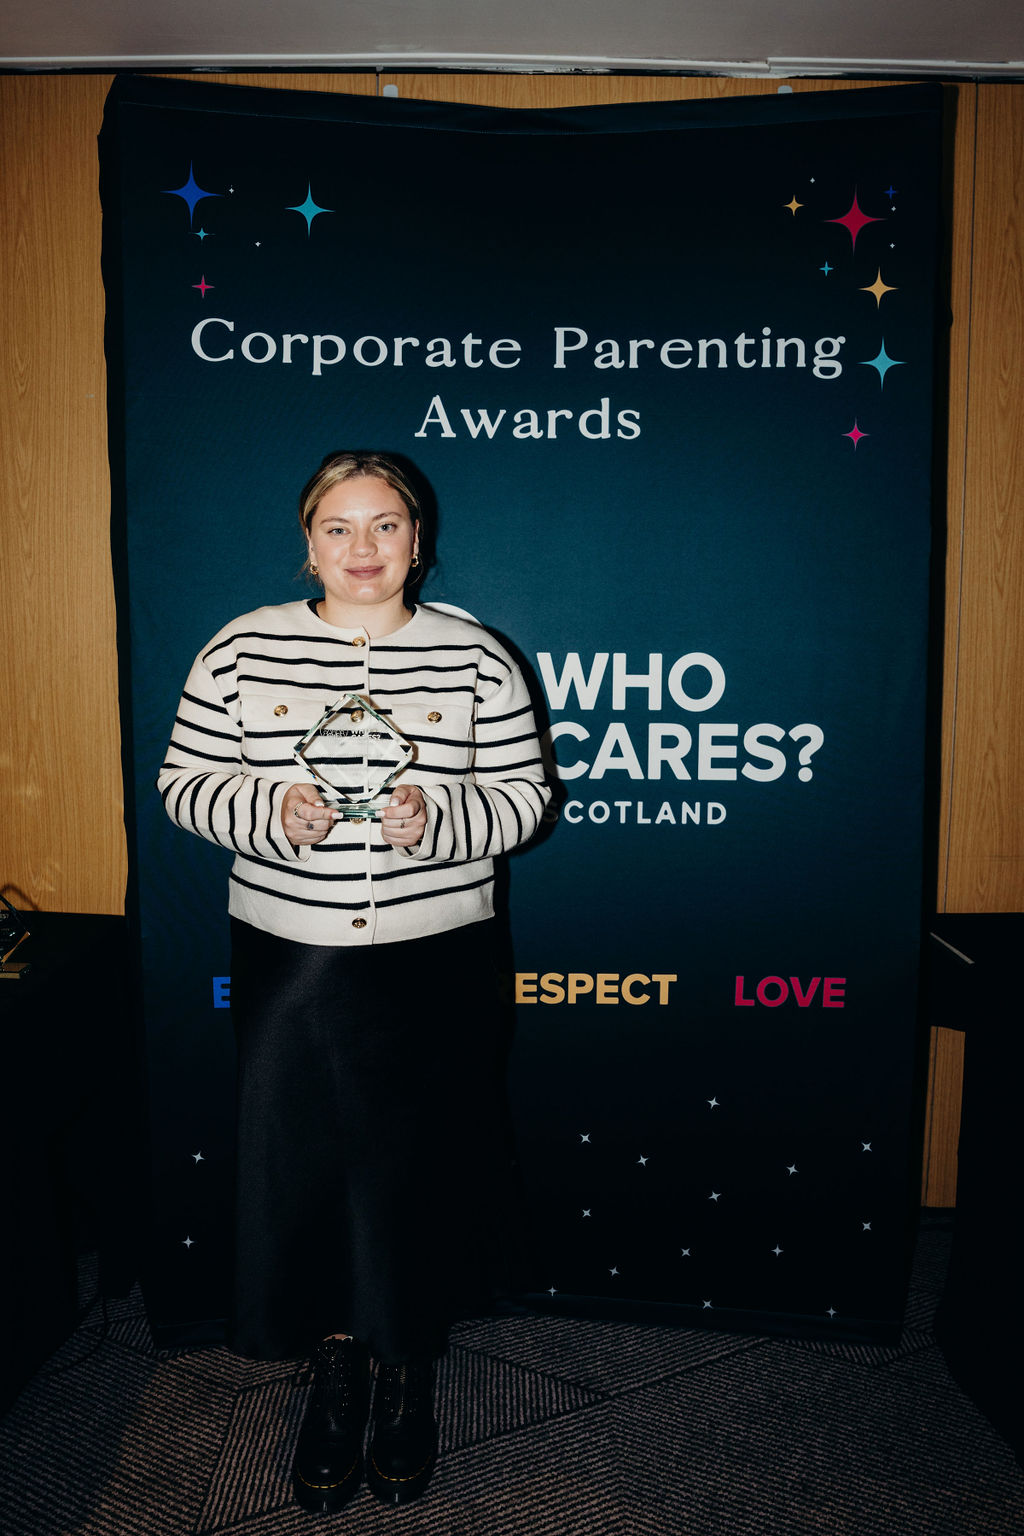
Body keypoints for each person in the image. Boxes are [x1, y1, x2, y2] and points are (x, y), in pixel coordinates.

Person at [158, 450, 550, 1512]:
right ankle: (334, 1375)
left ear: (418, 540)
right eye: (339, 527)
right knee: (308, 1174)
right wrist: (266, 809)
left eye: (385, 525)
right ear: (308, 542)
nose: (363, 548)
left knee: (420, 1169)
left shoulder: (475, 657)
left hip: (438, 957)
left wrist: (444, 817)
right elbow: (184, 782)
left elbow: (525, 797)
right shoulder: (241, 647)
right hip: (294, 957)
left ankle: (407, 1367)